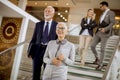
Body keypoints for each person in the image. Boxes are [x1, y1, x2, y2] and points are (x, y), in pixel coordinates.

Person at [27, 6, 58, 80]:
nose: (47, 12)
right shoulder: (38, 24)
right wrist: (29, 51)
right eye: (45, 11)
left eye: (49, 11)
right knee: (35, 73)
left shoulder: (57, 25)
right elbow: (33, 38)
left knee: (47, 74)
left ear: (53, 14)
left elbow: (57, 41)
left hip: (49, 53)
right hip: (37, 51)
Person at [90, 1, 115, 70]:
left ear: (104, 6)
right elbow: (100, 23)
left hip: (105, 33)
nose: (100, 8)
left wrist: (106, 29)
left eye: (101, 6)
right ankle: (97, 58)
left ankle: (100, 64)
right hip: (98, 33)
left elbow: (112, 23)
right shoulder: (102, 14)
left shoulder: (111, 13)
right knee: (92, 46)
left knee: (102, 49)